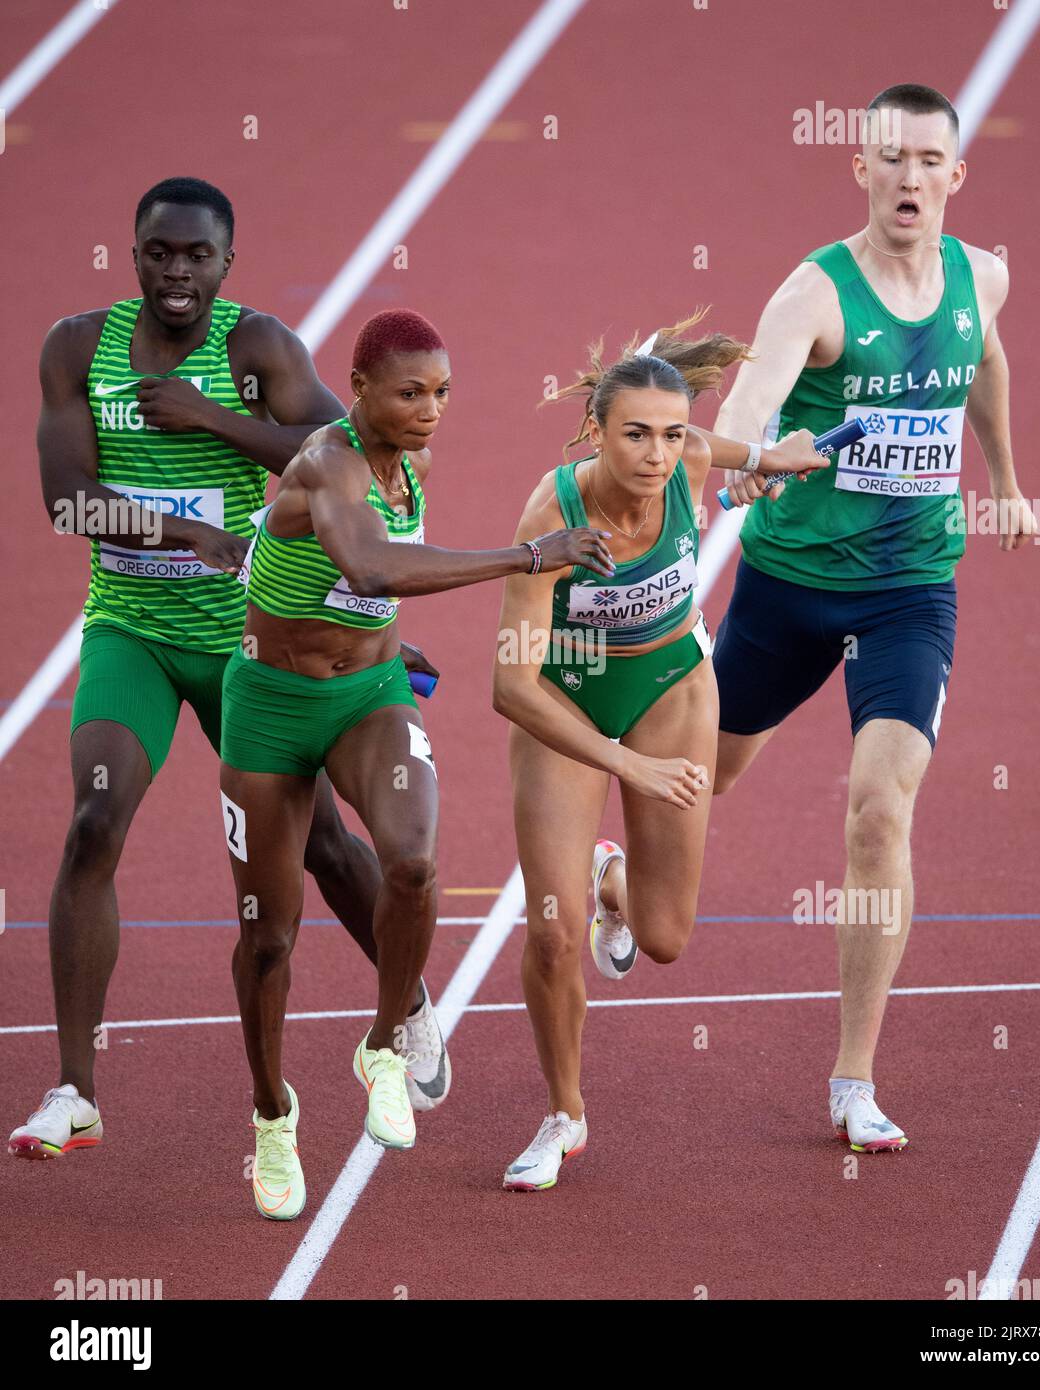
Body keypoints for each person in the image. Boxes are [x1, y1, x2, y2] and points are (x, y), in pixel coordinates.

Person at [9, 178, 432, 1160]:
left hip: (252, 644)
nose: (177, 273)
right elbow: (66, 502)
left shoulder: (259, 351)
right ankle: (75, 1088)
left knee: (325, 846)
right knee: (91, 821)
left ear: (225, 265)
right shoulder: (78, 349)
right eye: (160, 252)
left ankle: (407, 1005)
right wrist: (179, 530)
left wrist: (211, 419)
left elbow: (350, 452)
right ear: (135, 253)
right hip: (134, 632)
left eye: (197, 257)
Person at [221, 308, 616, 1219]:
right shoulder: (324, 461)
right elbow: (365, 568)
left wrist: (394, 648)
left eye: (441, 392)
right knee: (269, 935)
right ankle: (272, 1116)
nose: (431, 409)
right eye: (409, 392)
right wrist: (529, 554)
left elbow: (375, 590)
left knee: (411, 860)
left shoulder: (415, 463)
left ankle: (385, 1046)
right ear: (358, 390)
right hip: (271, 708)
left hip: (368, 697)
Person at [711, 85, 1039, 1152]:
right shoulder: (815, 294)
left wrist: (1006, 477)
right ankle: (621, 877)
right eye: (888, 158)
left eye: (926, 160)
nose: (907, 177)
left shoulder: (979, 276)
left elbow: (984, 355)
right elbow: (744, 404)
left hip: (908, 591)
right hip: (789, 583)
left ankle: (852, 1077)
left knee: (877, 810)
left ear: (955, 175)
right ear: (860, 168)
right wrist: (755, 458)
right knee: (698, 779)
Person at [492, 313, 826, 1189]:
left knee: (665, 937)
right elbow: (511, 688)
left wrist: (765, 458)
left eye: (670, 435)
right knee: (552, 932)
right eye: (633, 434)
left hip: (672, 687)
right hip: (562, 701)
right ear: (596, 432)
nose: (655, 454)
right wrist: (624, 766)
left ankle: (613, 878)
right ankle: (563, 1114)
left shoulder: (690, 461)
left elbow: (708, 442)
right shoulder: (551, 511)